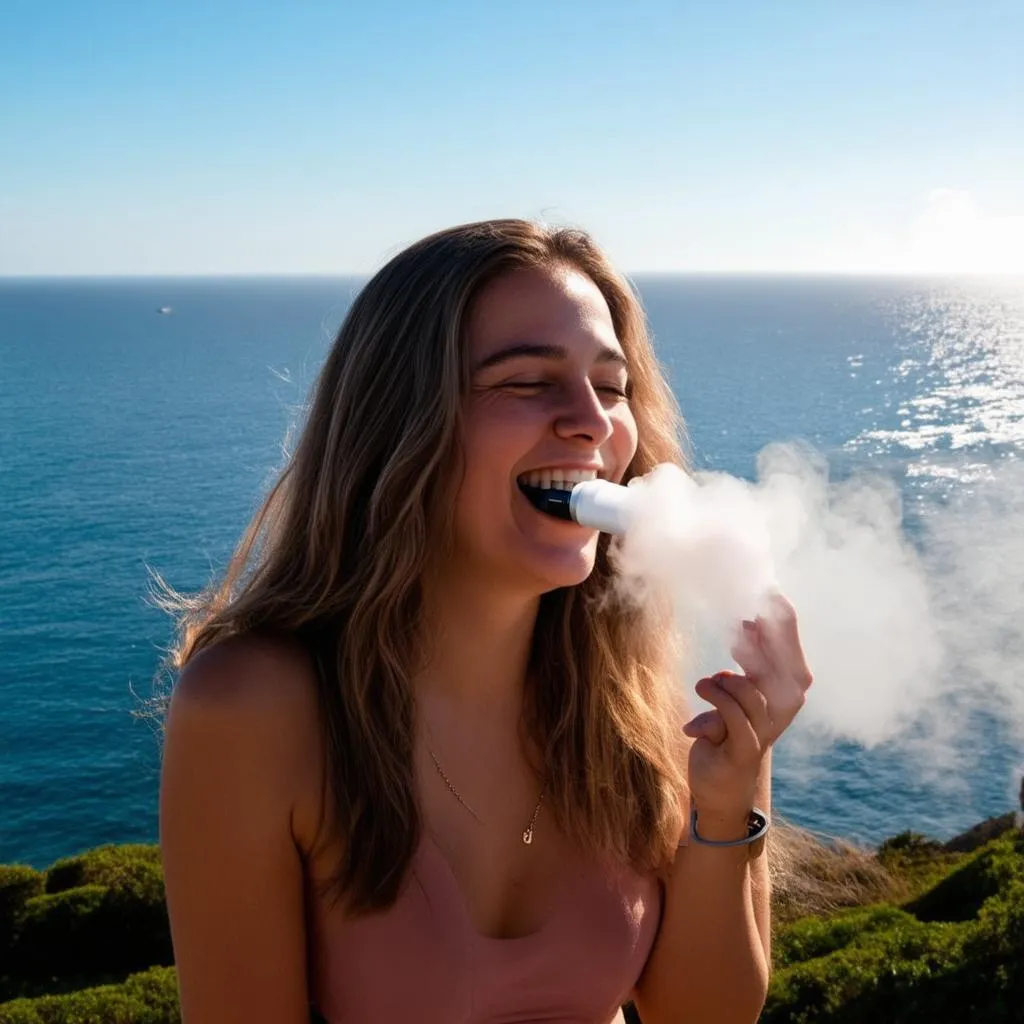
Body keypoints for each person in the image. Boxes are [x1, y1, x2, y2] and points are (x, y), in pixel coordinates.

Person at [157, 219, 813, 1024]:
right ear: (401, 425)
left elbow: (704, 1016)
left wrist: (725, 806)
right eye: (527, 381)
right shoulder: (256, 709)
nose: (593, 422)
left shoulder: (672, 704)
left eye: (611, 388)